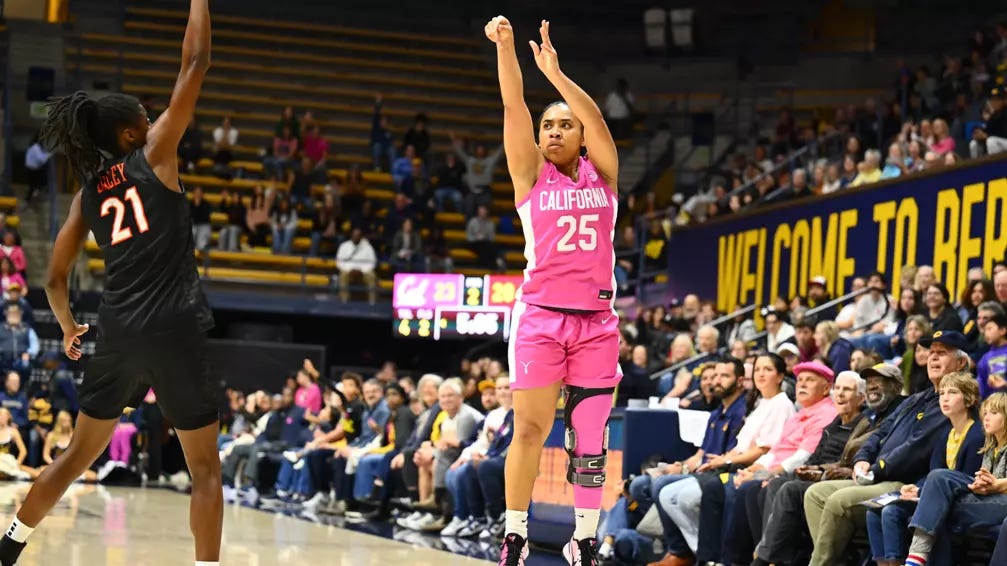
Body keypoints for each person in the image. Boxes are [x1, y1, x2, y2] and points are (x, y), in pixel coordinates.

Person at [0, 3, 220, 566]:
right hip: (175, 324)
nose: (154, 120)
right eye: (146, 117)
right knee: (204, 471)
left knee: (76, 455)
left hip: (117, 329)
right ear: (131, 132)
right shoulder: (157, 154)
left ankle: (10, 547)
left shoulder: (87, 194)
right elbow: (195, 61)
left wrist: (72, 327)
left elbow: (52, 277)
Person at [487, 16, 621, 566]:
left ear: (581, 137)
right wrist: (507, 48)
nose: (555, 132)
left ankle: (584, 538)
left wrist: (559, 76)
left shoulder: (605, 175)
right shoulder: (529, 175)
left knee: (591, 440)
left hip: (597, 322)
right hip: (541, 317)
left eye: (565, 125)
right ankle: (514, 534)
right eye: (549, 127)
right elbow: (513, 107)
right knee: (531, 429)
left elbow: (594, 117)